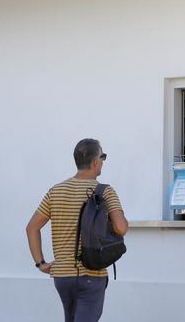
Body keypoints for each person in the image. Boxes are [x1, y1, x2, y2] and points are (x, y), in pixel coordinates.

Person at [26, 138, 128, 322]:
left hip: (62, 276)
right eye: (103, 156)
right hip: (92, 273)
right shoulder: (104, 191)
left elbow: (32, 227)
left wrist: (40, 263)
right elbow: (121, 228)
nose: (103, 161)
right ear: (95, 161)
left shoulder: (55, 191)